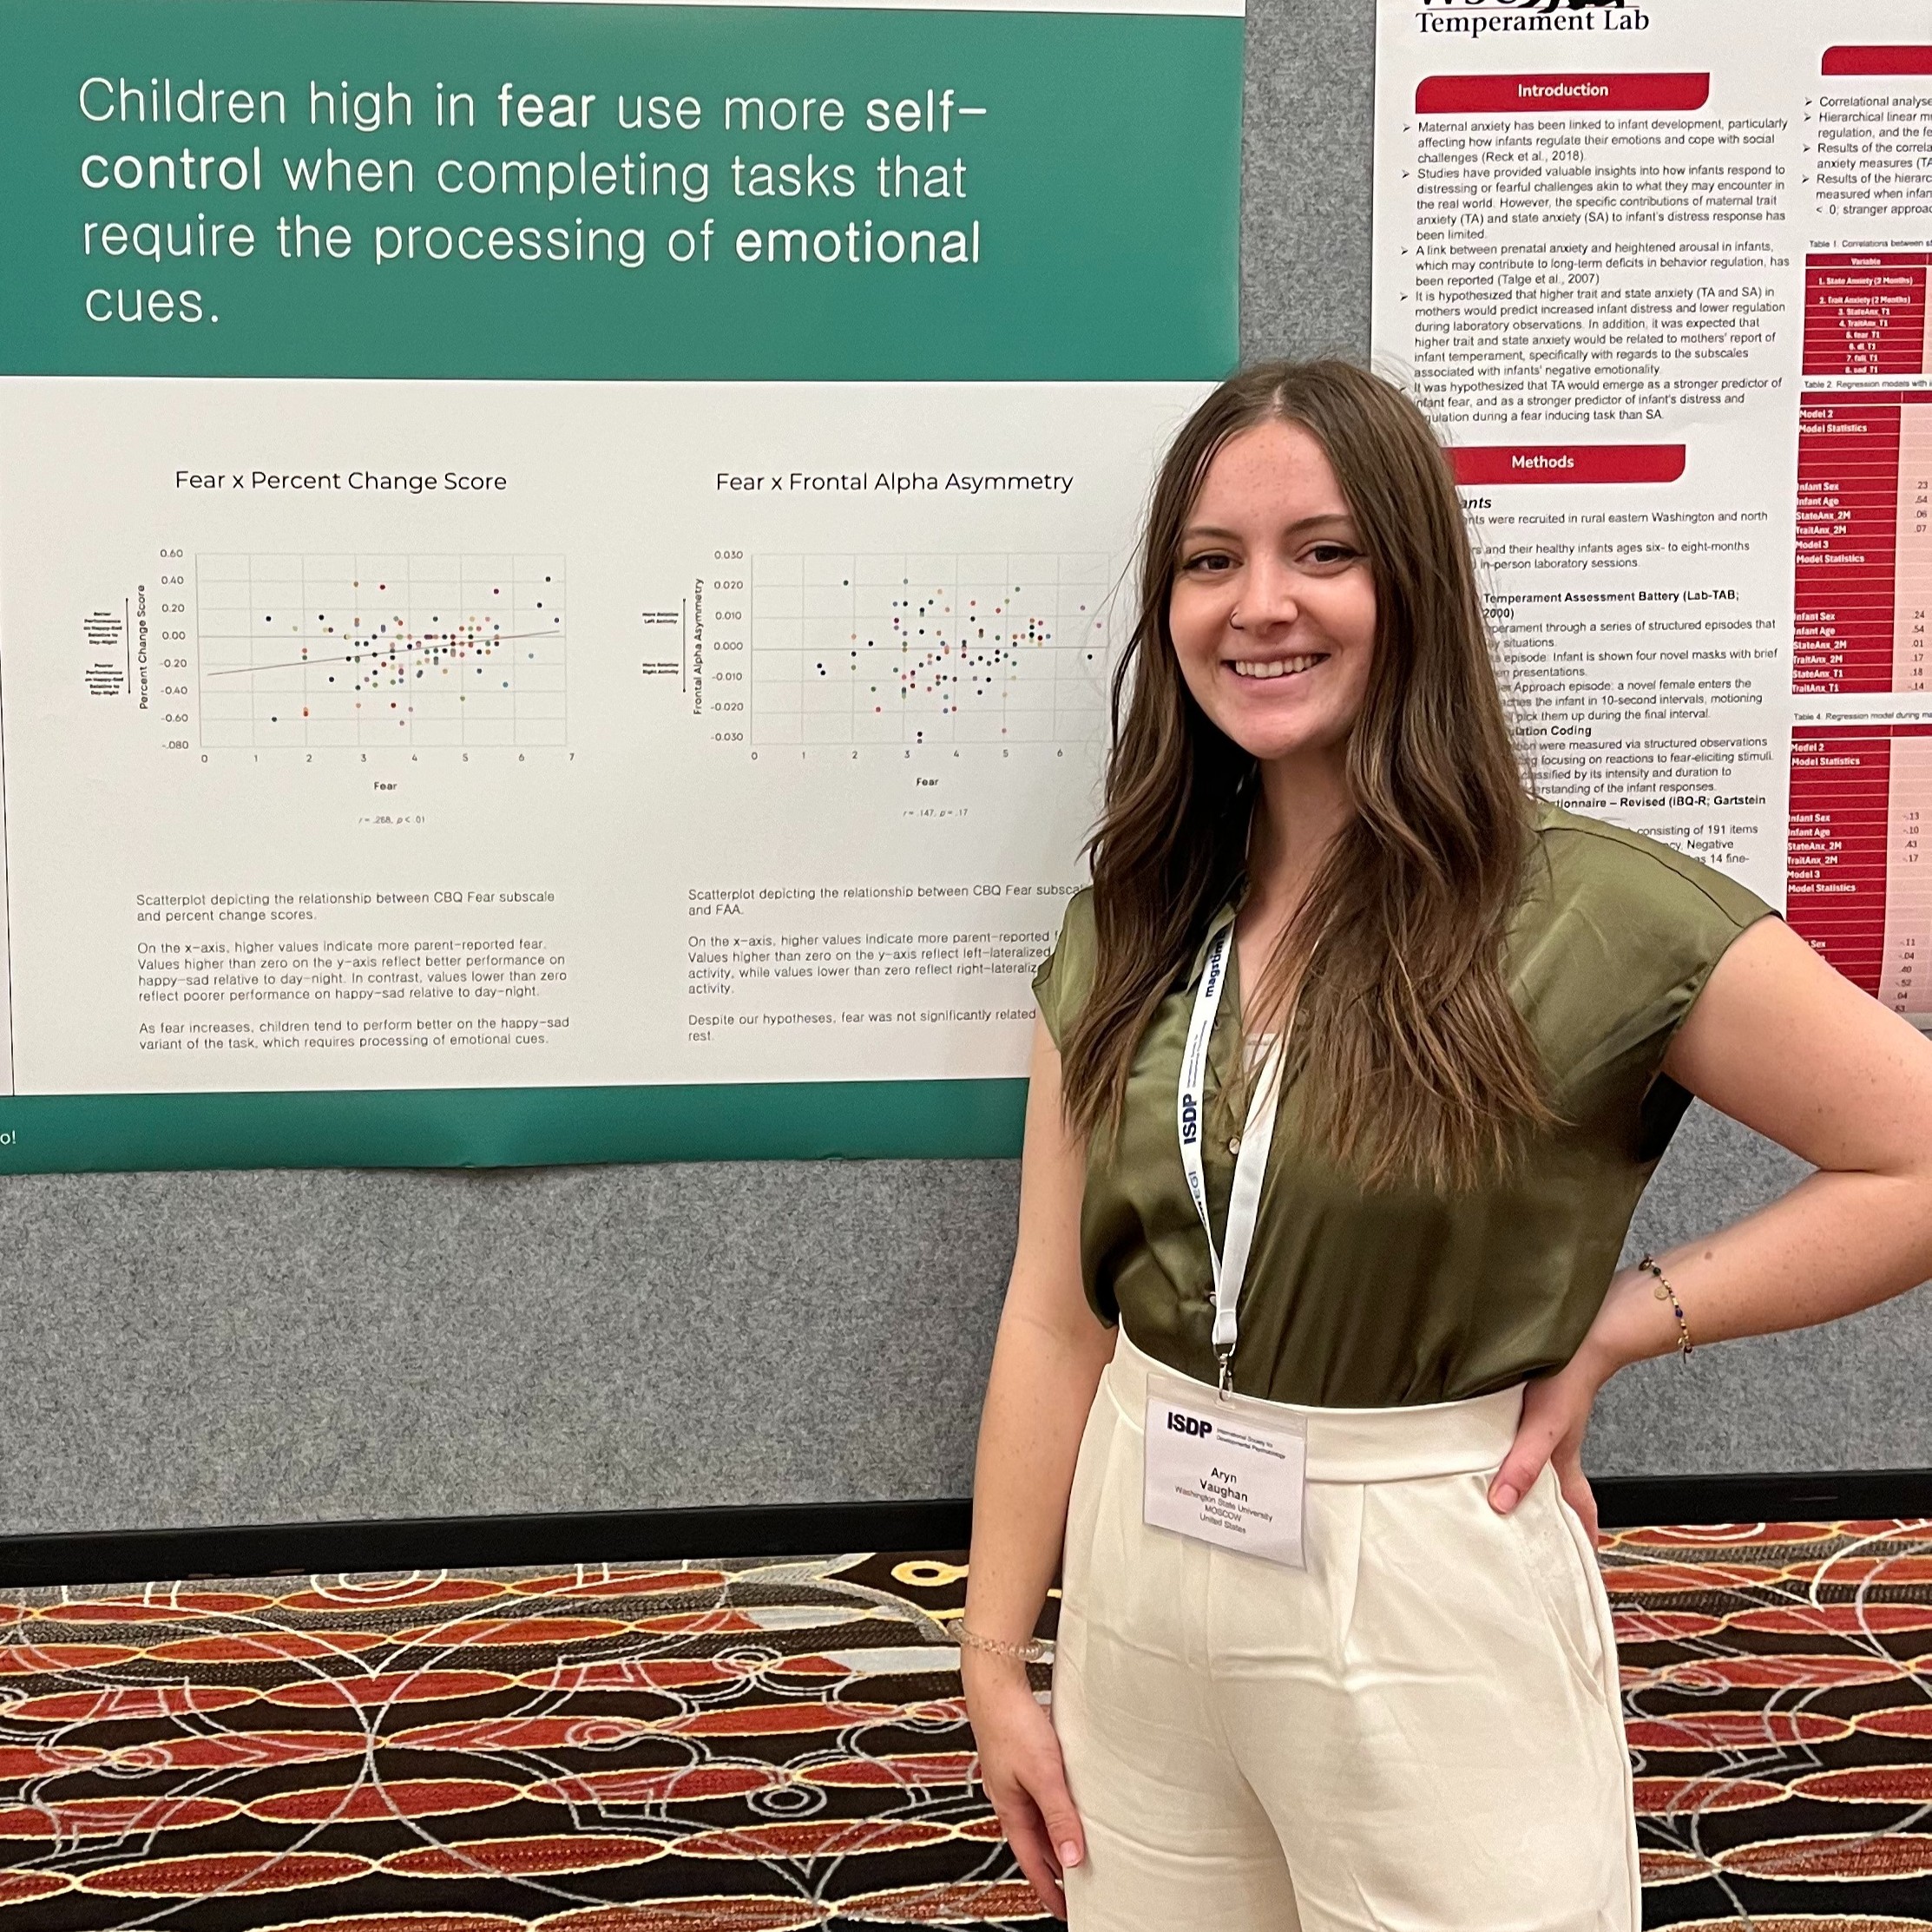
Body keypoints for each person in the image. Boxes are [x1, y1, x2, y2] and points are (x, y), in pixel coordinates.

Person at [957, 359, 1932, 1931]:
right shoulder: (1127, 925)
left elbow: (1917, 1157)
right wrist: (997, 1654)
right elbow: (1052, 1314)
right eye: (1210, 562)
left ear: (1414, 583)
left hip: (1417, 1547)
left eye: (1322, 552)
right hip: (1140, 1555)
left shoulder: (1589, 912)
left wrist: (1624, 1323)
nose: (1259, 604)